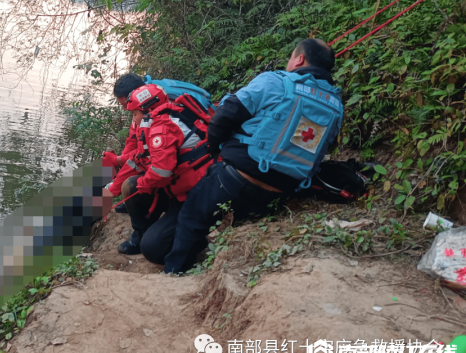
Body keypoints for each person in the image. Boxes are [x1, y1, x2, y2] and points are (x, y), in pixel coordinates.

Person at [164, 39, 344, 274]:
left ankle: (174, 272)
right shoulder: (337, 105)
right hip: (283, 190)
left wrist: (216, 149)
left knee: (192, 216)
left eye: (291, 56)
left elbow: (226, 114)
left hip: (236, 176)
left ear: (299, 59)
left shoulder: (275, 82)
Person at [111, 84, 213, 264]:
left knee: (153, 250)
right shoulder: (161, 120)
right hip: (177, 186)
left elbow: (161, 172)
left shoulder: (161, 128)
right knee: (131, 186)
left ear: (147, 110)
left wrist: (142, 184)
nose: (133, 120)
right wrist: (119, 163)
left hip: (191, 195)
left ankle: (192, 241)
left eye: (134, 114)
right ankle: (143, 233)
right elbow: (142, 156)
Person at [102, 73, 145, 213]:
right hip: (152, 161)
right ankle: (129, 201)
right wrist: (119, 161)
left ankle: (140, 218)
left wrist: (112, 190)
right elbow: (132, 142)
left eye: (125, 104)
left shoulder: (152, 119)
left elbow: (140, 158)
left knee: (131, 183)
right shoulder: (139, 111)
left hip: (178, 171)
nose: (125, 109)